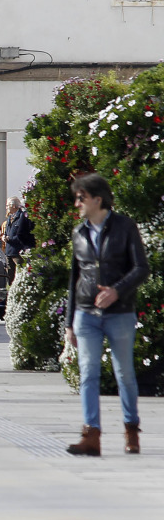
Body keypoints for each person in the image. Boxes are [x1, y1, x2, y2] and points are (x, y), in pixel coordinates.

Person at [64, 173, 149, 457]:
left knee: (124, 373)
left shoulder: (125, 227)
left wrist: (116, 291)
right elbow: (75, 277)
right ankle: (91, 435)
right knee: (88, 373)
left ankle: (131, 430)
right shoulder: (79, 232)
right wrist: (69, 324)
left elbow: (141, 268)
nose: (77, 203)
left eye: (82, 198)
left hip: (119, 313)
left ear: (97, 199)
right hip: (86, 314)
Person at [2, 196, 35, 283]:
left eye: (7, 205)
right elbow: (7, 231)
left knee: (20, 274)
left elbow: (22, 234)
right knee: (9, 277)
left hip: (17, 252)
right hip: (9, 251)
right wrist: (4, 237)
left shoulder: (21, 216)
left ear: (13, 206)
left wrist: (11, 239)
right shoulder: (9, 217)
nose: (6, 208)